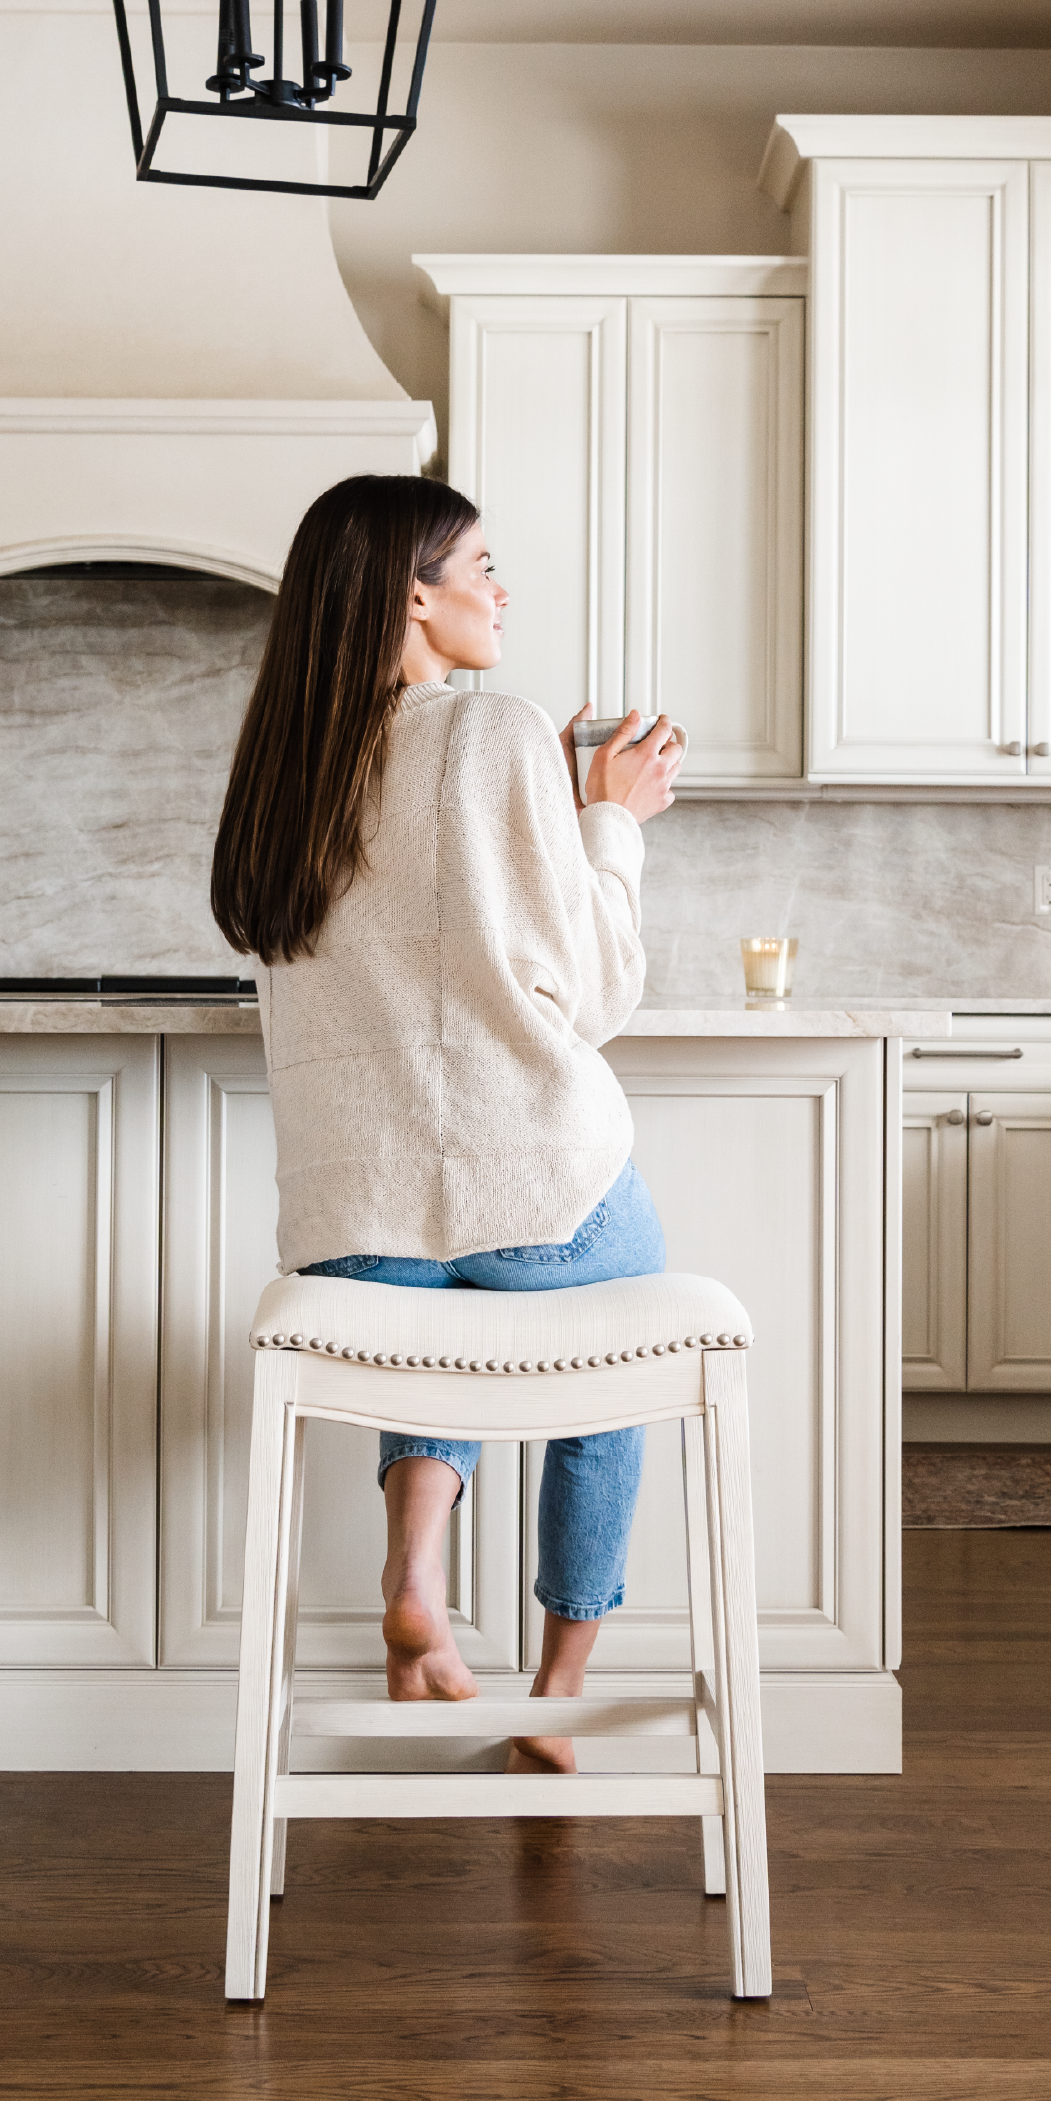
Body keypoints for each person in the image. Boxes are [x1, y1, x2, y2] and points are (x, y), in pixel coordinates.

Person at [211, 472, 682, 1769]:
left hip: (349, 1223)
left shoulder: (285, 769)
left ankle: (413, 1568)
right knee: (608, 1383)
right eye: (480, 565)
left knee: (435, 1321)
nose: (499, 588)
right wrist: (613, 821)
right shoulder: (489, 732)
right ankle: (558, 1696)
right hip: (541, 1184)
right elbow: (592, 985)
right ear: (414, 596)